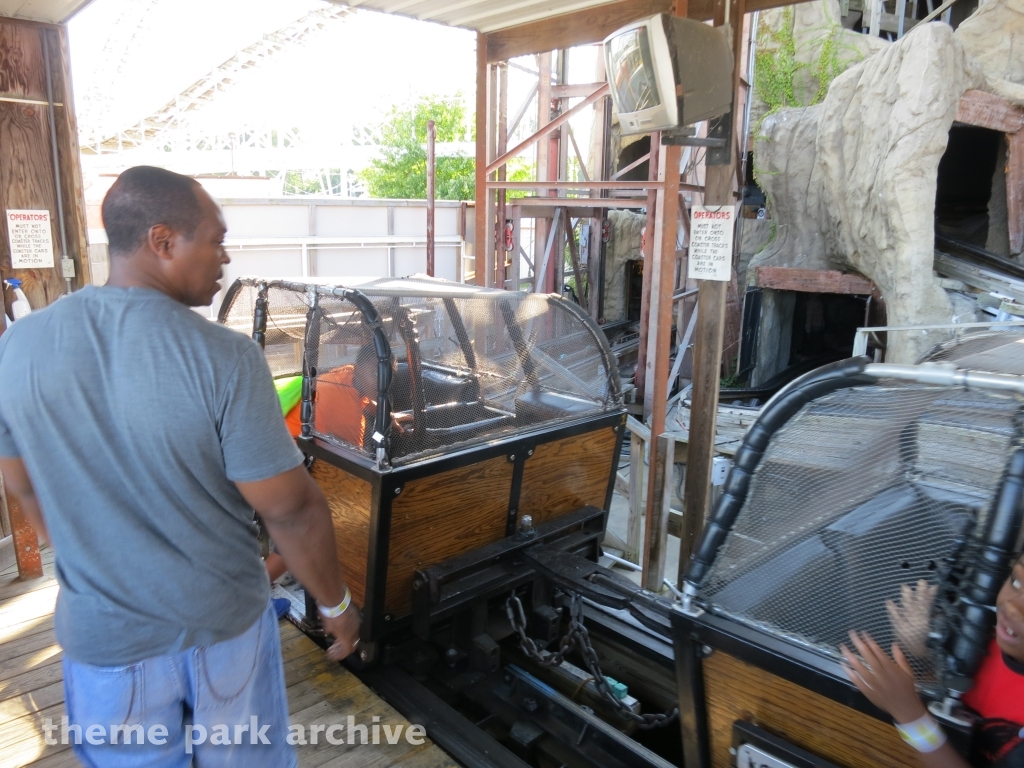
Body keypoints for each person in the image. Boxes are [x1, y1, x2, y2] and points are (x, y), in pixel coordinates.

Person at [0, 166, 360, 767]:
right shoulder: (225, 358)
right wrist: (337, 606)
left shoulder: (18, 346)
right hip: (223, 636)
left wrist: (87, 554)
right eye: (214, 239)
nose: (224, 257)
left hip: (104, 642)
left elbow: (20, 481)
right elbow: (291, 509)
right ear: (162, 241)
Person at [842, 556, 1024, 767]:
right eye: (1016, 581)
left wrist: (910, 717)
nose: (1012, 607)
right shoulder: (988, 638)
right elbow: (956, 690)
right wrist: (920, 650)